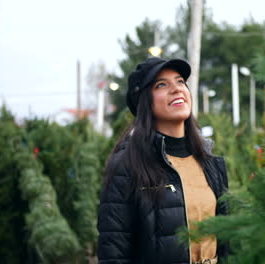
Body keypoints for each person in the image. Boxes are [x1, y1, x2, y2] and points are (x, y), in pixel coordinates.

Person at [97, 57, 229, 264]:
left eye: (180, 81)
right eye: (162, 84)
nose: (177, 89)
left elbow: (227, 242)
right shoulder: (128, 165)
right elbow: (114, 253)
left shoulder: (211, 163)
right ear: (144, 101)